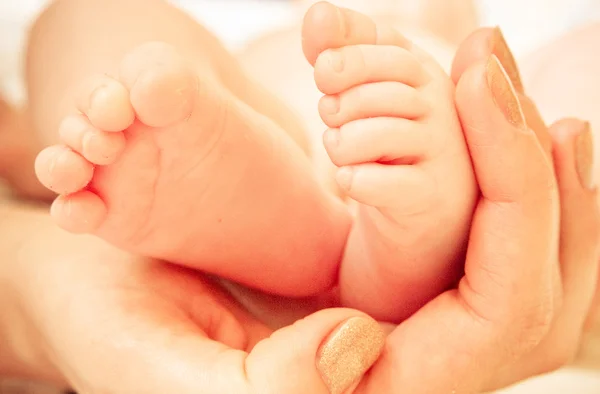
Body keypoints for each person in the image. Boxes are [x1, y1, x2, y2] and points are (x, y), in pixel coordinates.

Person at [1, 5, 599, 393]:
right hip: (315, 127)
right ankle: (368, 233)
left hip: (312, 119)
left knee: (95, 26)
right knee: (102, 28)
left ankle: (360, 233)